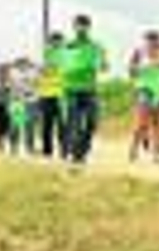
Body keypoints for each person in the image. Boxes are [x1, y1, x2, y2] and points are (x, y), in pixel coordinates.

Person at [60, 15, 108, 164]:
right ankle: (75, 153)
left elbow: (103, 64)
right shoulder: (67, 46)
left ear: (89, 27)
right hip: (71, 88)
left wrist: (102, 64)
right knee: (74, 121)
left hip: (89, 88)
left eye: (84, 25)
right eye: (78, 25)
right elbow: (58, 64)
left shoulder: (95, 46)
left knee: (92, 122)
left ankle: (82, 149)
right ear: (74, 27)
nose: (81, 28)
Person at [128, 30, 159, 164]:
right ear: (145, 41)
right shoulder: (139, 52)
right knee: (141, 122)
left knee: (157, 122)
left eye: (155, 40)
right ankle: (134, 148)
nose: (153, 43)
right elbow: (131, 71)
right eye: (150, 40)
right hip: (144, 89)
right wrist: (140, 69)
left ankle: (158, 153)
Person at [38, 33, 67, 158]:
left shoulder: (65, 54)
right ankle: (47, 151)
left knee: (62, 124)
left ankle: (64, 149)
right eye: (54, 41)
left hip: (60, 95)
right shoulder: (47, 55)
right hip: (46, 94)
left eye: (58, 41)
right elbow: (43, 73)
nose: (56, 43)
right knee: (47, 125)